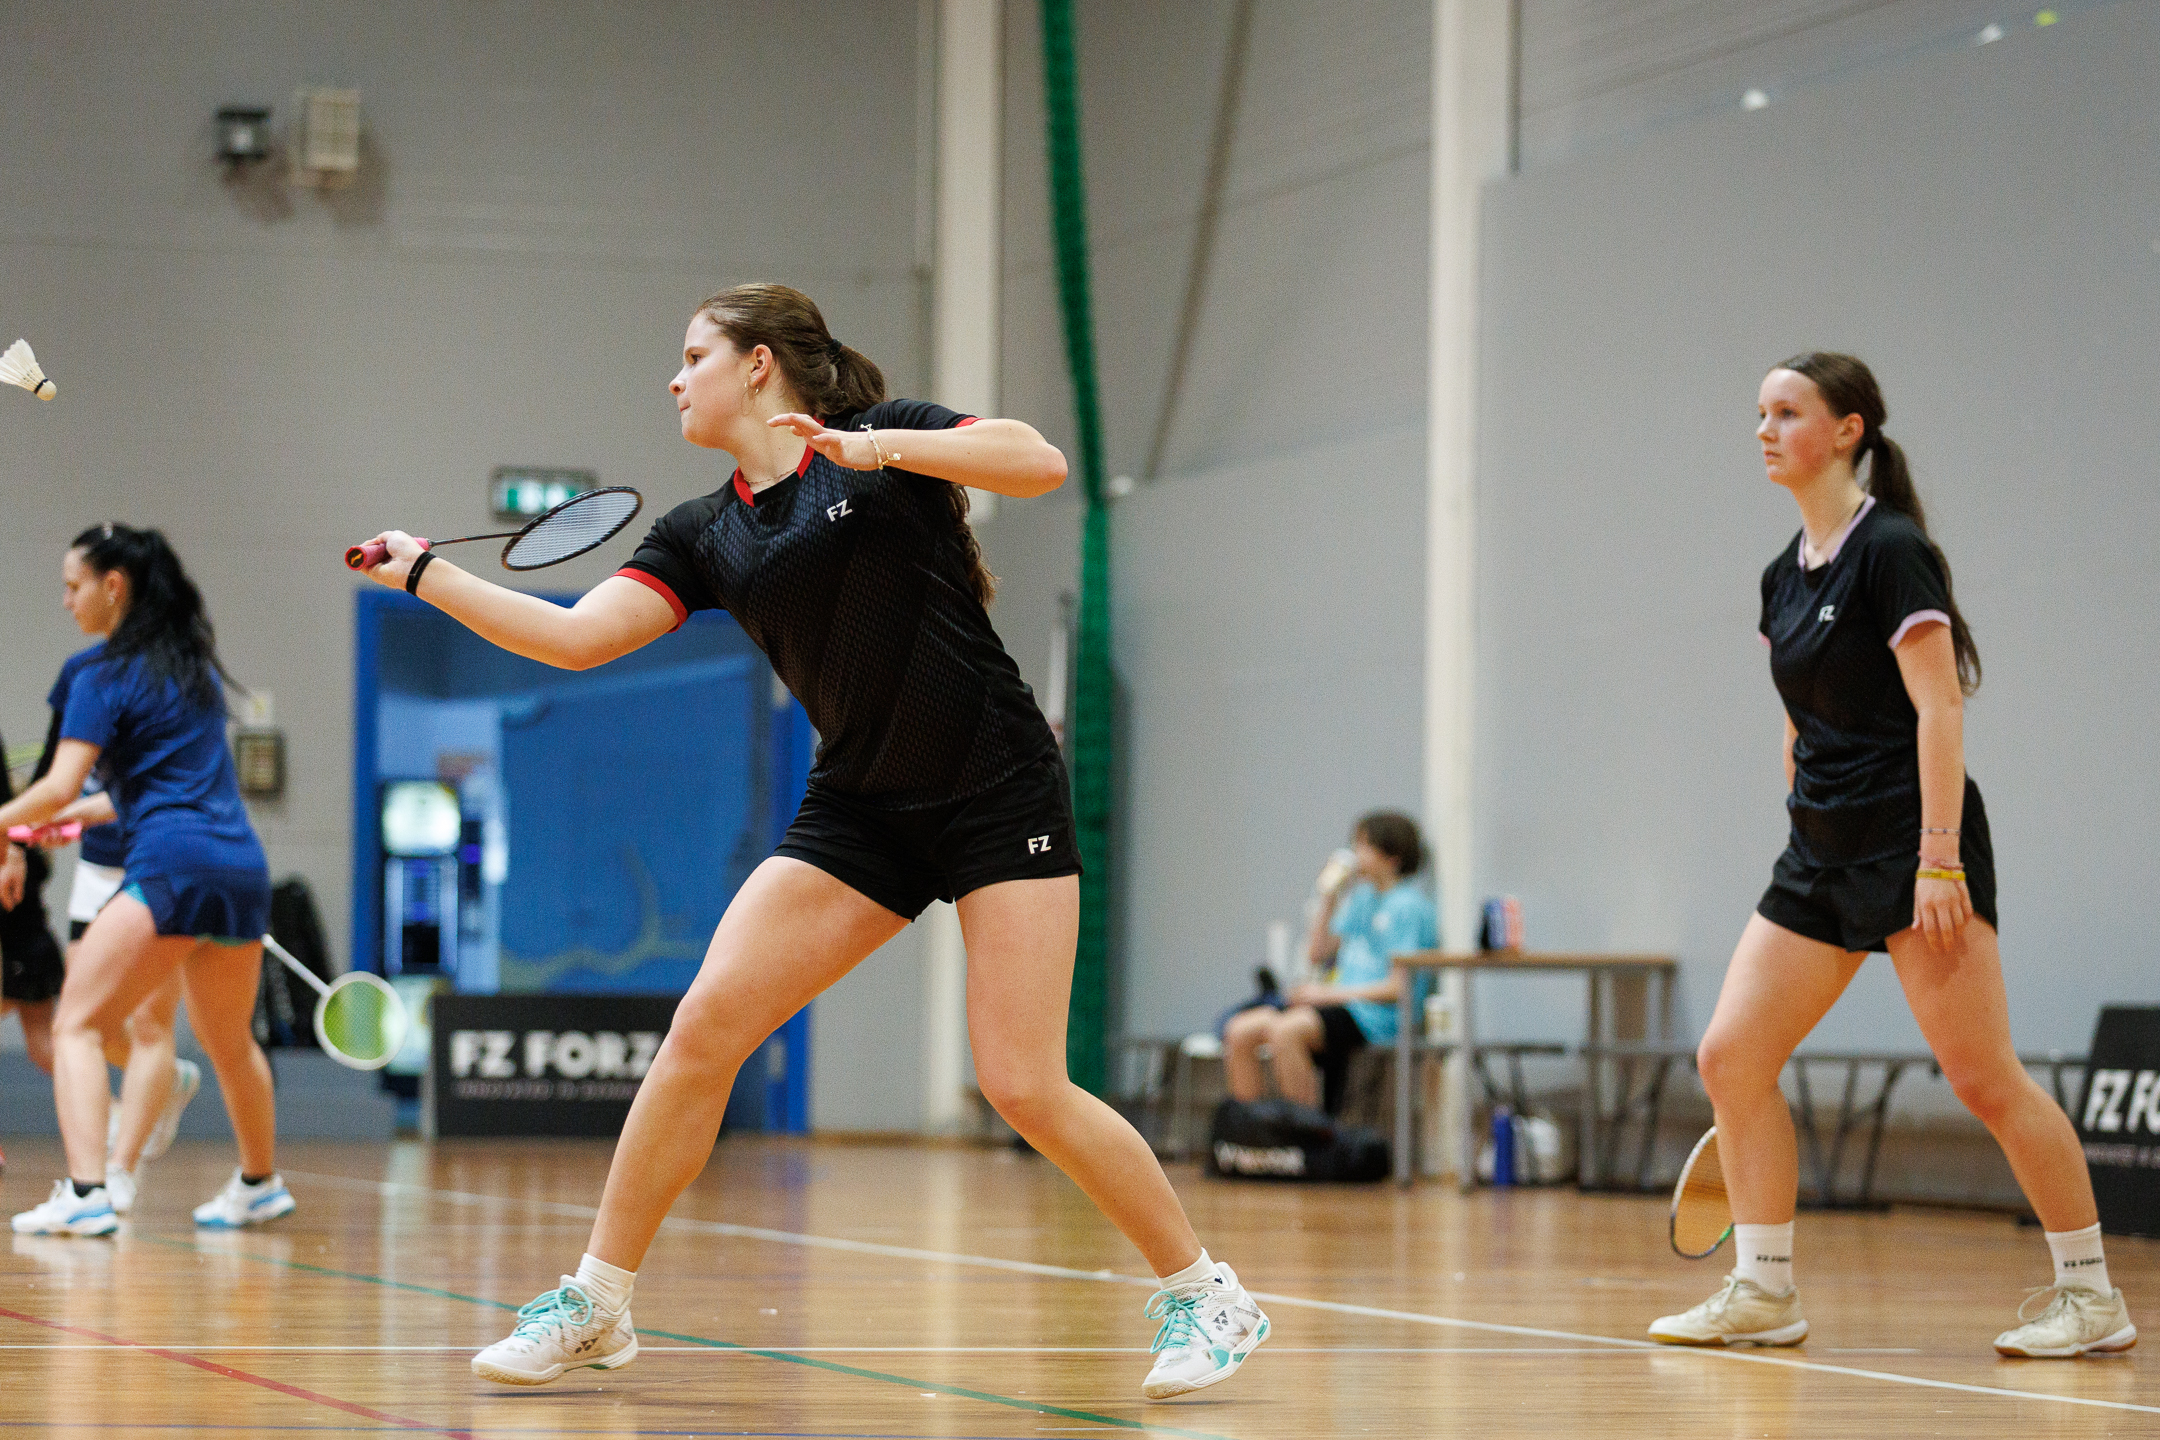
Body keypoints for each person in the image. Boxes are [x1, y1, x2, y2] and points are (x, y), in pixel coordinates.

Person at [355, 283, 1269, 1400]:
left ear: (757, 364)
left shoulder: (883, 446)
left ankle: (1207, 1294)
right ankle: (596, 1303)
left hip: (994, 785)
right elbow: (579, 637)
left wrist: (877, 449)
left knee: (1022, 1082)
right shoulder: (703, 532)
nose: (674, 378)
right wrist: (426, 572)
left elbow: (1037, 463)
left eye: (694, 354)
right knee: (705, 1027)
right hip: (861, 807)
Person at [1648, 353, 2135, 1358]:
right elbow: (1800, 715)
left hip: (1914, 843)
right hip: (1819, 850)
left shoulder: (1892, 551)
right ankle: (1764, 1290)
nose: (1765, 430)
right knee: (1731, 1056)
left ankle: (2092, 1297)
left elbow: (1940, 704)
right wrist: (1797, 802)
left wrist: (1940, 859)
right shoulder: (1781, 576)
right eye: (1760, 414)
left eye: (1788, 412)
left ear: (1848, 431)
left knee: (1982, 1078)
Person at [0, 524, 288, 1237]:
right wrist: (71, 818)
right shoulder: (192, 670)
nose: (66, 601)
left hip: (172, 868)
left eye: (73, 586)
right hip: (241, 868)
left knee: (76, 1025)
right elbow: (159, 786)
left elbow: (57, 783)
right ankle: (259, 1183)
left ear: (114, 586)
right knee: (228, 1041)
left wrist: (10, 818)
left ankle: (87, 1192)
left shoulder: (97, 676)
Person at [45, 642, 203, 1215]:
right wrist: (36, 825)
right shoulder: (79, 676)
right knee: (81, 1017)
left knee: (151, 1023)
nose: (68, 603)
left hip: (157, 866)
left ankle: (120, 1169)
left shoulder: (176, 681)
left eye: (76, 594)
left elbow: (157, 788)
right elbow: (58, 776)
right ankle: (168, 1080)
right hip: (96, 872)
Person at [1224, 812, 1435, 1112]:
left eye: (1364, 846)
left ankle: (1308, 1134)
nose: (1355, 854)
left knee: (1286, 1032)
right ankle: (1253, 1131)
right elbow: (1317, 953)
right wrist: (1328, 896)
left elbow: (1398, 988)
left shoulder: (1408, 906)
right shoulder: (1363, 898)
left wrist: (1326, 994)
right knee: (1239, 1030)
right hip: (1339, 1006)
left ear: (1392, 857)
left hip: (1374, 1018)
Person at [1, 731, 65, 1074]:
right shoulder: (30, 852)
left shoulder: (17, 854)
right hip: (35, 952)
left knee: (46, 1049)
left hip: (21, 955)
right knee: (45, 1050)